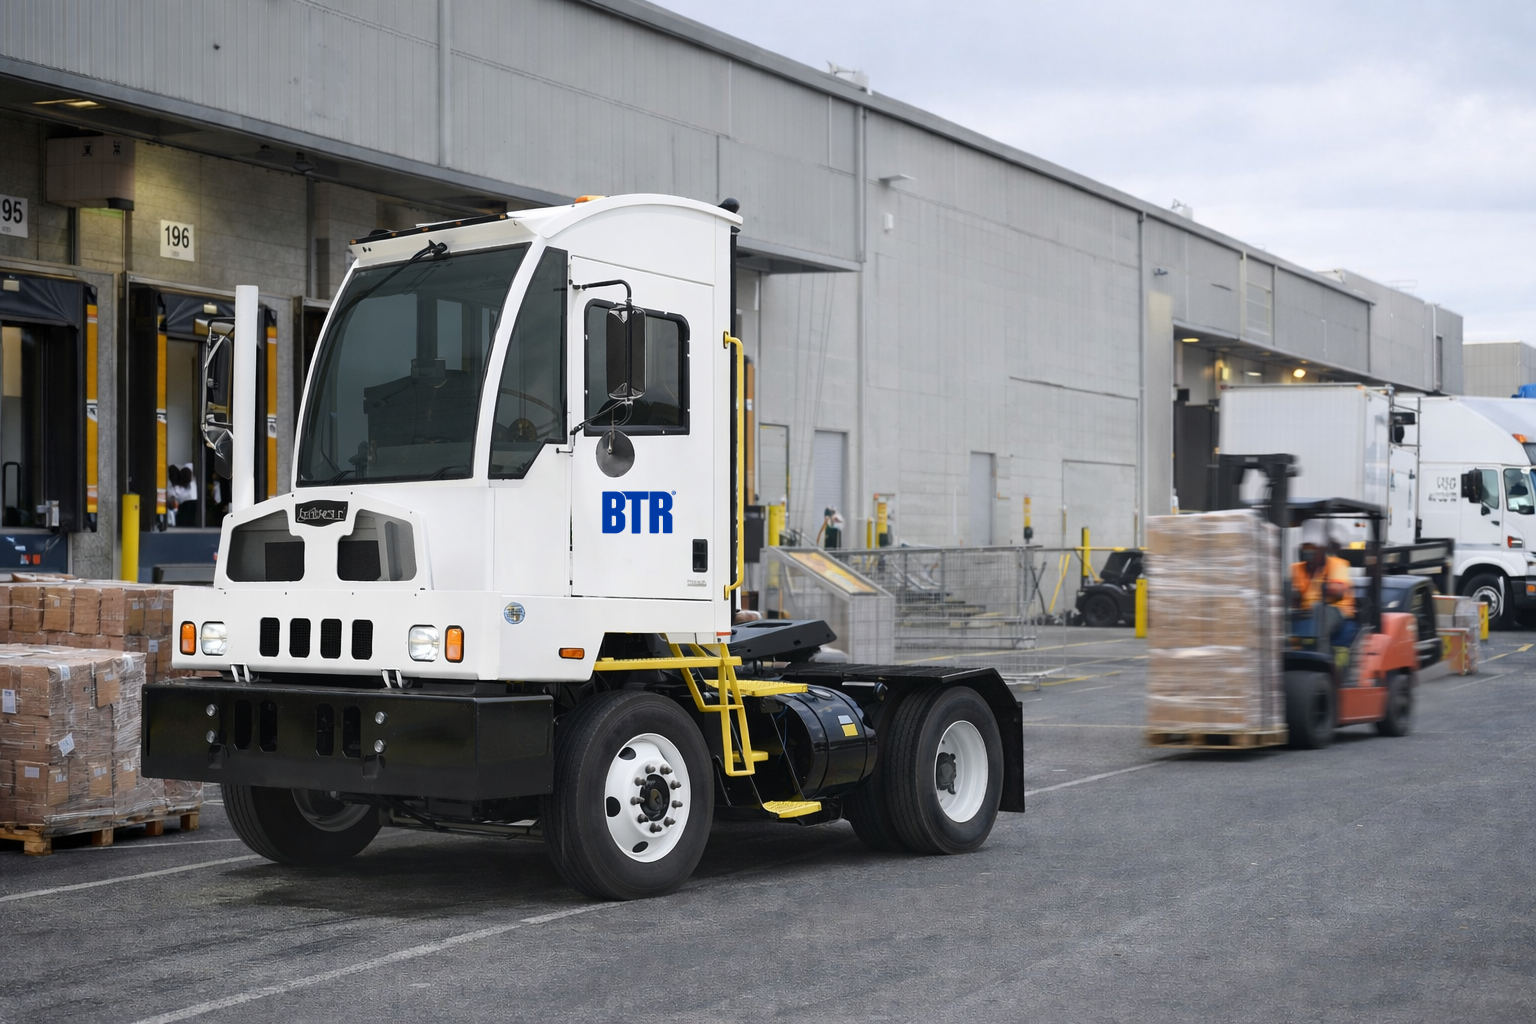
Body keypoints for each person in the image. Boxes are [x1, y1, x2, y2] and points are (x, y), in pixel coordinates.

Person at [1290, 519, 1355, 647]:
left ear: (1323, 549)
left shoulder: (1338, 564)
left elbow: (1337, 592)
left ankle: (1318, 653)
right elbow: (1294, 596)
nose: (1309, 550)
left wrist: (1324, 586)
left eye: (1313, 547)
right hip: (1307, 612)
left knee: (1321, 612)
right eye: (1306, 546)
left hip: (1336, 611)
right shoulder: (1296, 568)